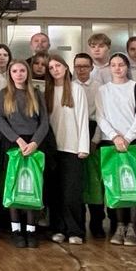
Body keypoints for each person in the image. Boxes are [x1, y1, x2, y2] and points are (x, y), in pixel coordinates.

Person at [95, 53, 136, 247]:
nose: (117, 68)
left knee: (134, 184)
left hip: (134, 142)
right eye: (114, 65)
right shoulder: (103, 90)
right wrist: (115, 136)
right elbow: (100, 117)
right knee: (115, 184)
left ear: (127, 67)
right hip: (111, 142)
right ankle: (119, 225)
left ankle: (133, 226)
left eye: (121, 65)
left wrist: (128, 137)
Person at [0, 61, 49, 249]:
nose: (18, 74)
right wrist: (17, 140)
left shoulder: (36, 94)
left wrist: (34, 142)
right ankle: (16, 230)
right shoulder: (4, 94)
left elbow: (44, 122)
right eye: (15, 71)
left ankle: (31, 230)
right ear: (10, 74)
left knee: (31, 186)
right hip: (13, 144)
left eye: (22, 70)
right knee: (14, 186)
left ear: (27, 73)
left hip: (33, 144)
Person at [44, 54, 90, 246]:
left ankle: (75, 230)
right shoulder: (46, 91)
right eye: (51, 67)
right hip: (52, 149)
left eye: (58, 65)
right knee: (55, 192)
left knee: (71, 193)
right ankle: (58, 228)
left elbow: (83, 118)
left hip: (72, 148)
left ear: (65, 67)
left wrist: (83, 147)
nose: (55, 70)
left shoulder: (76, 89)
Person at [73, 52, 105, 238]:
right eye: (78, 66)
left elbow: (102, 116)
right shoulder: (70, 85)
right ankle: (78, 223)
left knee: (94, 182)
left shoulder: (100, 87)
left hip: (94, 131)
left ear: (92, 68)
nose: (81, 70)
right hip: (75, 133)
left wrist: (95, 140)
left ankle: (97, 222)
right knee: (77, 181)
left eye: (85, 66)